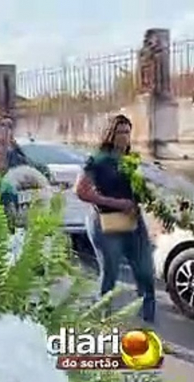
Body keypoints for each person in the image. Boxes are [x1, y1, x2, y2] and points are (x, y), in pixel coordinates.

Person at [74, 114, 155, 324]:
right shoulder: (98, 160)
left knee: (146, 272)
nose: (124, 137)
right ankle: (104, 321)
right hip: (106, 223)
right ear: (110, 134)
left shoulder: (132, 159)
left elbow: (141, 189)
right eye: (120, 132)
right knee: (110, 275)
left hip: (134, 222)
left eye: (127, 132)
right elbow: (81, 191)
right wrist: (117, 203)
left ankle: (147, 323)